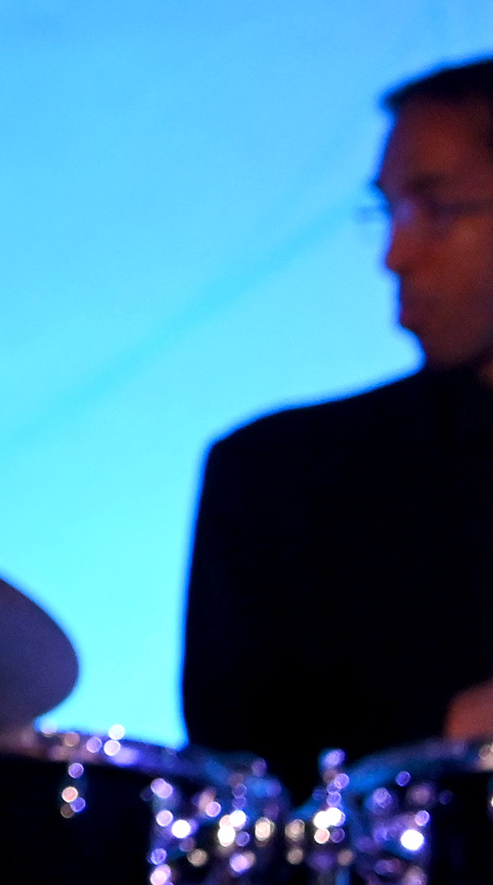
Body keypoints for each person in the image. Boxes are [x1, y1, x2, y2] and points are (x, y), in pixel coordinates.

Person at [184, 57, 493, 795]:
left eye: (436, 208)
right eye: (387, 212)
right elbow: (248, 778)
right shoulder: (281, 479)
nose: (395, 254)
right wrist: (447, 736)